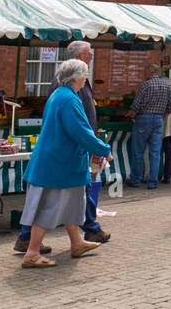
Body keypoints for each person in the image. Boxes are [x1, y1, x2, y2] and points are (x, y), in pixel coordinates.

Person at [15, 40, 108, 253]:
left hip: (64, 156)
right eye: (88, 54)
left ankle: (78, 240)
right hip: (61, 158)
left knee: (73, 199)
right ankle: (31, 247)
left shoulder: (66, 91)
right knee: (53, 203)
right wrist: (100, 147)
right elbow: (77, 127)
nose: (91, 58)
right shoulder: (67, 95)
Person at [127, 64, 171, 189]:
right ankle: (153, 182)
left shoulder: (146, 85)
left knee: (138, 151)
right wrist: (162, 115)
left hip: (143, 119)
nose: (144, 75)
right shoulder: (166, 86)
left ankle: (136, 180)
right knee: (155, 153)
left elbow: (136, 105)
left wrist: (131, 115)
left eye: (145, 72)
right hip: (159, 120)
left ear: (151, 72)